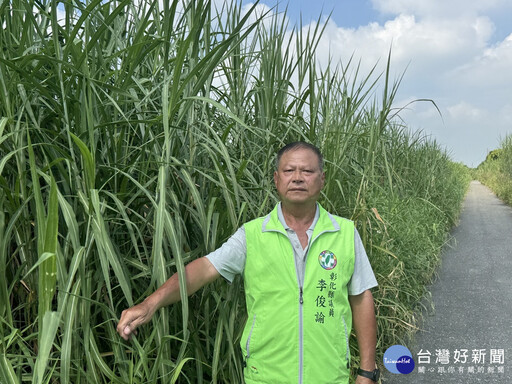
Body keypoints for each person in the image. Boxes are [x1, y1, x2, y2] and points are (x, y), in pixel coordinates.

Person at [117, 142, 380, 383]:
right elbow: (204, 268)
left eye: (308, 171)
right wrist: (151, 303)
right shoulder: (253, 235)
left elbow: (361, 296)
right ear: (276, 179)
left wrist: (367, 371)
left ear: (322, 179)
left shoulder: (344, 233)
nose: (298, 177)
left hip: (329, 376)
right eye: (289, 170)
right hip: (265, 376)